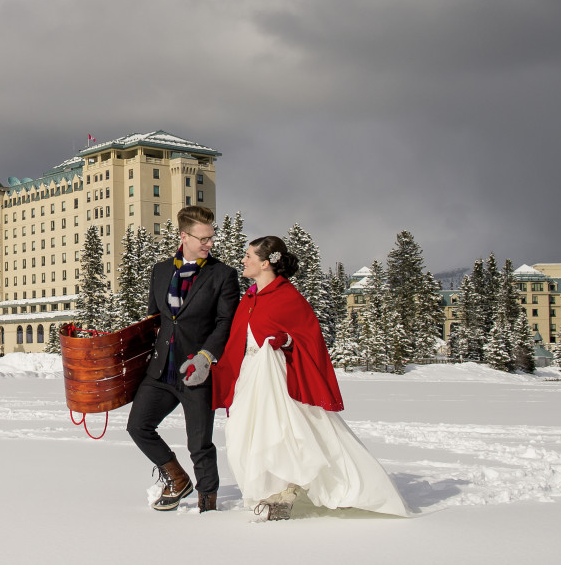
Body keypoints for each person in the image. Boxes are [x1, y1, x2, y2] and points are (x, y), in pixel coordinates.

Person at [210, 235, 409, 520]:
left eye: (249, 256)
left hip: (279, 380)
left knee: (284, 433)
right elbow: (237, 342)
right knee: (244, 432)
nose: (243, 260)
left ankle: (285, 493)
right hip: (250, 378)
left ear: (266, 263)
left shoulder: (288, 297)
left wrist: (287, 341)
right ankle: (270, 491)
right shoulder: (250, 297)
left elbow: (309, 339)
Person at [126, 206, 240, 512]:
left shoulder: (223, 275)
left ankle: (208, 503)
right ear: (184, 236)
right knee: (138, 426)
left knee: (199, 444)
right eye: (203, 238)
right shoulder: (161, 271)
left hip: (197, 371)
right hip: (161, 370)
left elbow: (225, 323)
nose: (209, 243)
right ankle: (177, 479)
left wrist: (206, 356)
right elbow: (155, 318)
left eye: (211, 237)